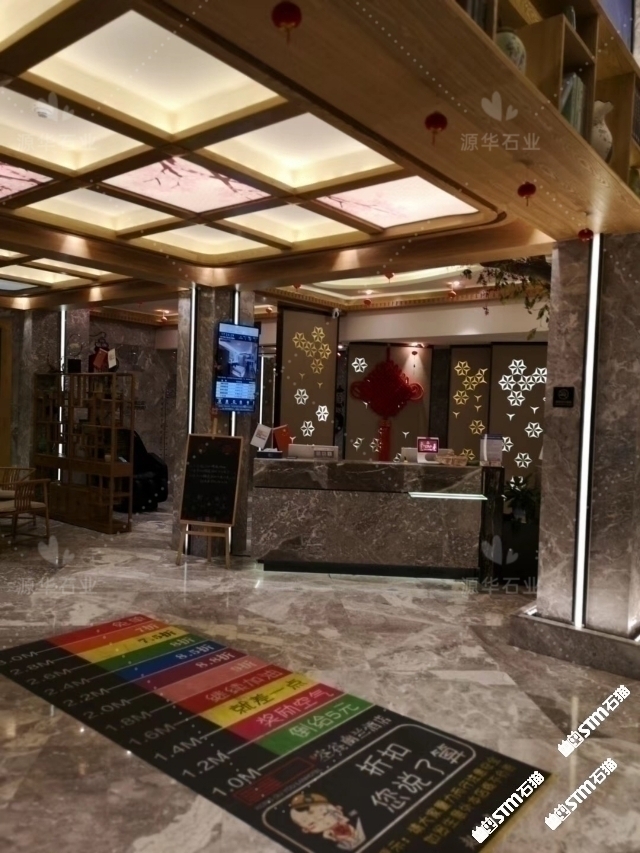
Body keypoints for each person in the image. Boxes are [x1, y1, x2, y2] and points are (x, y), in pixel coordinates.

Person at [289, 792, 366, 850]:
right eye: (311, 823)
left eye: (325, 813)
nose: (323, 822)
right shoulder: (323, 845)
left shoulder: (359, 818)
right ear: (305, 830)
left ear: (338, 809)